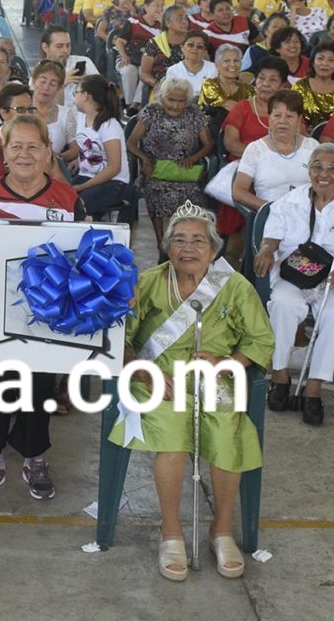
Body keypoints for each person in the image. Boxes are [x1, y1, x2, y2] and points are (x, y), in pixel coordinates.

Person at [109, 201, 274, 581]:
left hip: (215, 379)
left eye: (198, 241)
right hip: (160, 378)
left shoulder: (235, 286)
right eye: (179, 240)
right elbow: (121, 340)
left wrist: (228, 364)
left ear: (214, 249)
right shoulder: (149, 282)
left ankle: (222, 530)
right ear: (167, 247)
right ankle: (171, 532)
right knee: (170, 434)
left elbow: (261, 339)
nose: (188, 248)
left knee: (226, 433)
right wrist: (144, 370)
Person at [0, 113, 86, 503]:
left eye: (34, 145)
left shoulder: (69, 201)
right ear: (3, 152)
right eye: (16, 145)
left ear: (50, 153)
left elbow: (87, 259)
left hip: (47, 313)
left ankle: (34, 456)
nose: (25, 153)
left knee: (38, 386)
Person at [255, 144, 334, 426]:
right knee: (284, 305)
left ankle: (314, 386)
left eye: (333, 168)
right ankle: (280, 374)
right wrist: (265, 249)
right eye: (317, 167)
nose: (324, 174)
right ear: (309, 171)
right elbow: (271, 238)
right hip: (296, 272)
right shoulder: (289, 201)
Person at [128, 76, 213, 255]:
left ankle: (185, 244)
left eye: (181, 101)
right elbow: (131, 142)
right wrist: (145, 159)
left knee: (194, 197)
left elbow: (208, 144)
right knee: (156, 193)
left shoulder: (194, 113)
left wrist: (193, 158)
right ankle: (162, 246)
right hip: (155, 169)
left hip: (185, 171)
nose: (175, 105)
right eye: (171, 100)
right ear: (162, 97)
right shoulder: (151, 112)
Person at [232, 90, 319, 213]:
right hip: (270, 215)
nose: (282, 121)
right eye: (277, 115)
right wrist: (271, 208)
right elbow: (238, 191)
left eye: (289, 116)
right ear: (269, 119)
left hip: (308, 213)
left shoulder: (312, 147)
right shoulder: (255, 149)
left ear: (299, 120)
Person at [72, 74, 130, 216]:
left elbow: (114, 168)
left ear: (85, 95)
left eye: (76, 92)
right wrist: (77, 160)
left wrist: (81, 187)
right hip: (86, 175)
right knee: (59, 199)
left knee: (78, 206)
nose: (74, 97)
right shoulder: (81, 117)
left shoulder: (109, 125)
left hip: (112, 182)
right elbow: (88, 147)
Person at [114, 0, 164, 113]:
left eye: (161, 6)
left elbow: (165, 47)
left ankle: (134, 105)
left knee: (146, 72)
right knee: (129, 70)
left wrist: (163, 25)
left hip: (149, 61)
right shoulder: (134, 21)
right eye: (155, 5)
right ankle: (128, 103)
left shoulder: (162, 27)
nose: (158, 9)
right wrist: (124, 55)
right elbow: (120, 41)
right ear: (146, 7)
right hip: (130, 57)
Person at [292, 41, 334, 125]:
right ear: (312, 62)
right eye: (320, 58)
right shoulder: (300, 87)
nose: (324, 63)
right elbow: (293, 117)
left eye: (331, 60)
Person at [30, 59, 76, 163]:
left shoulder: (66, 114)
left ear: (59, 88)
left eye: (53, 84)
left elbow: (75, 149)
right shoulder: (20, 109)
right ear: (33, 81)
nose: (46, 87)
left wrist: (56, 158)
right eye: (42, 81)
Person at [164, 30, 217, 98]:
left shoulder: (213, 68)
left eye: (200, 47)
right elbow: (170, 96)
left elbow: (214, 95)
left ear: (204, 51)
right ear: (182, 47)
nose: (195, 49)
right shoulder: (173, 71)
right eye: (190, 45)